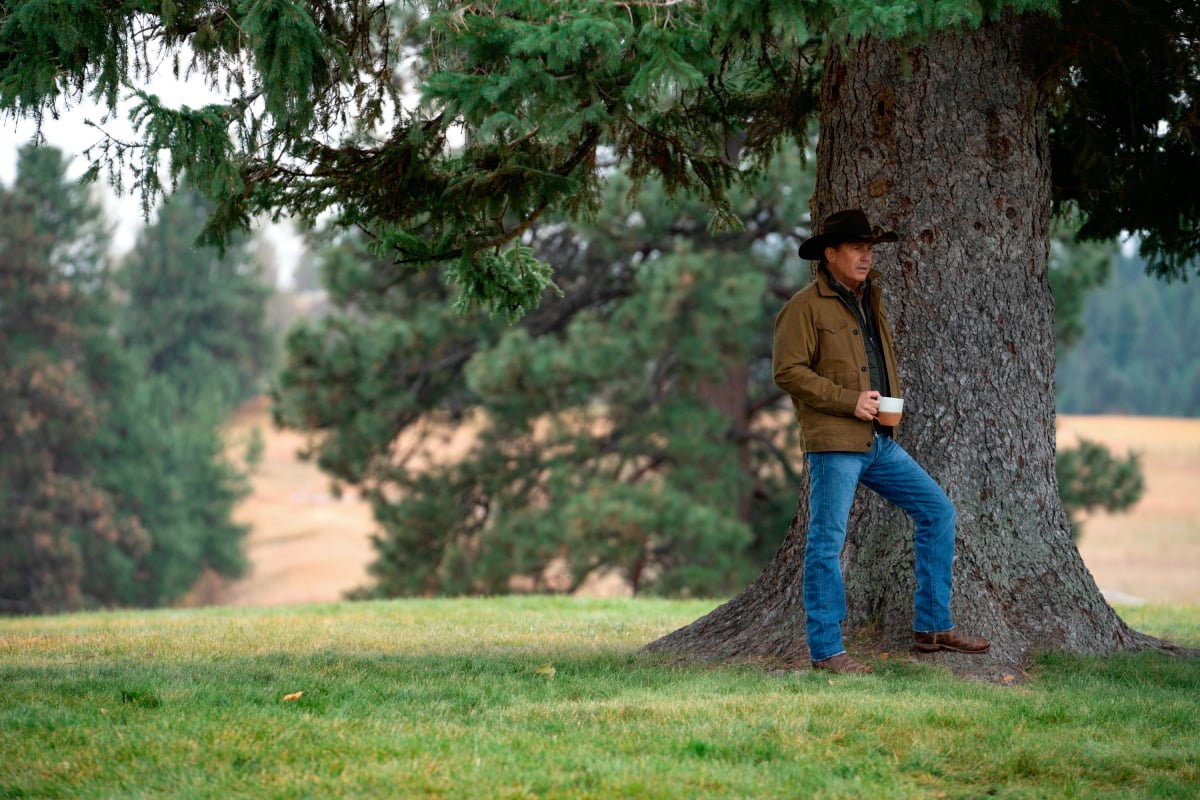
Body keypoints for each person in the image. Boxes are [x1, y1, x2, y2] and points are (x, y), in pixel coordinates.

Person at [773, 208, 990, 675]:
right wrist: (847, 400)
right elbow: (787, 372)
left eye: (869, 249)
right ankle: (827, 652)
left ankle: (933, 627)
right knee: (825, 544)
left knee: (937, 511)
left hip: (877, 440)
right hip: (835, 442)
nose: (866, 257)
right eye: (856, 248)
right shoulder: (803, 307)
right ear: (829, 255)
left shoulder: (872, 299)